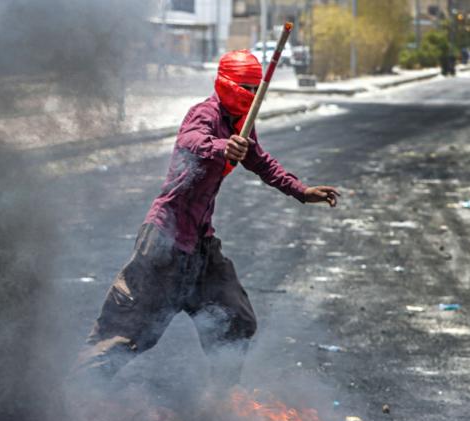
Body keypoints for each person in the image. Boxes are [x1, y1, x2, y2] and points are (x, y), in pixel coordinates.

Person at [77, 50, 339, 384]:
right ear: (227, 84)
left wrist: (301, 191)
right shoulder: (205, 113)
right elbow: (190, 138)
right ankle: (77, 399)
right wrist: (221, 147)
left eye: (255, 88)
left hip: (201, 248)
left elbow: (261, 161)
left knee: (237, 320)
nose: (251, 94)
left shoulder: (242, 122)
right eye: (246, 87)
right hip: (164, 242)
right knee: (122, 337)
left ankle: (218, 410)